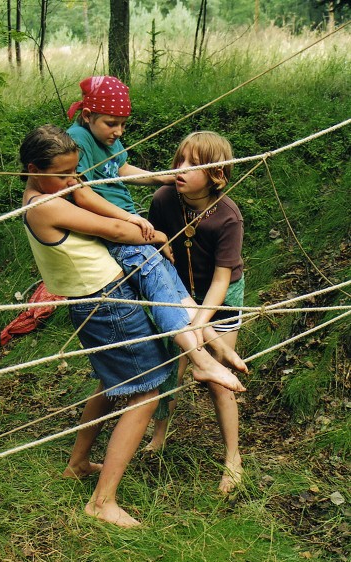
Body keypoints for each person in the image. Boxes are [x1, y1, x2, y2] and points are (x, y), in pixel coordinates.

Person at [19, 125, 244, 528]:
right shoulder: (44, 204)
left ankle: (78, 462)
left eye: (76, 172)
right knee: (144, 394)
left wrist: (132, 222)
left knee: (114, 382)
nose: (73, 180)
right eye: (64, 174)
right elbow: (115, 230)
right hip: (107, 306)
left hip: (105, 298)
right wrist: (151, 231)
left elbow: (86, 192)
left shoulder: (57, 185)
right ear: (34, 169)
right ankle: (102, 502)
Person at [66, 76, 246, 379]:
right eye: (112, 123)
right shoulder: (78, 140)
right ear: (87, 116)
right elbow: (82, 192)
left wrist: (160, 177)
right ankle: (204, 358)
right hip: (116, 227)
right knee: (160, 284)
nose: (119, 131)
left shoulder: (106, 139)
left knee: (170, 283)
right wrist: (131, 219)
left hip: (127, 221)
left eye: (123, 124)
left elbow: (122, 170)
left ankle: (215, 343)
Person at [146, 131, 246, 494]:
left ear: (217, 173)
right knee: (172, 365)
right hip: (178, 290)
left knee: (215, 377)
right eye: (179, 160)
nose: (181, 169)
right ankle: (158, 436)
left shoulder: (228, 217)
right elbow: (155, 247)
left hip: (220, 298)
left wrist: (200, 326)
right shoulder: (164, 199)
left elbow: (221, 282)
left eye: (194, 164)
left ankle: (233, 458)